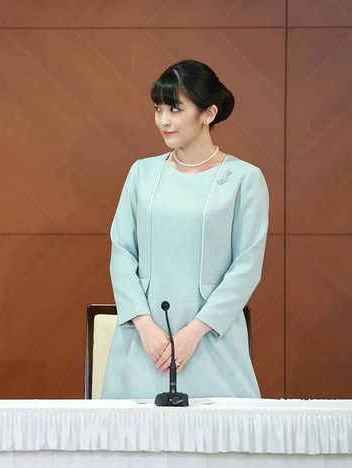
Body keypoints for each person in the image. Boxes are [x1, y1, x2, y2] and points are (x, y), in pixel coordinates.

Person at [101, 60, 267, 399]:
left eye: (175, 109)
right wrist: (144, 325)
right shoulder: (142, 173)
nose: (164, 120)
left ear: (208, 113)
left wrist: (194, 333)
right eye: (158, 109)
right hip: (144, 343)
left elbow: (247, 266)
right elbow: (122, 252)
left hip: (211, 340)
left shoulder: (244, 179)